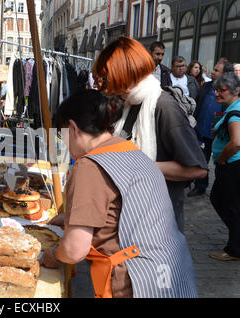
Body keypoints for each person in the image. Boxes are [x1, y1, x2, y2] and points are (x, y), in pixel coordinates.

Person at [40, 89, 198, 298]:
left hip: (135, 283)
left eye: (63, 136)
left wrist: (52, 255)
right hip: (173, 274)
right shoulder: (131, 150)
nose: (65, 144)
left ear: (73, 128)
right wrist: (72, 218)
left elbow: (73, 250)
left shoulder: (88, 166)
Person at [92, 37, 207, 233]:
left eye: (109, 78)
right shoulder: (130, 102)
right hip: (132, 220)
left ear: (126, 73)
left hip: (157, 224)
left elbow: (197, 169)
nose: (107, 86)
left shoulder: (164, 106)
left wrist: (138, 166)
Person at [188, 59, 235, 197]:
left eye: (216, 70)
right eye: (213, 70)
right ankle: (200, 185)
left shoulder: (230, 92)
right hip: (201, 129)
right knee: (200, 158)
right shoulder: (206, 85)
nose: (212, 72)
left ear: (225, 74)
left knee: (219, 163)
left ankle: (221, 190)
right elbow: (197, 104)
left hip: (218, 133)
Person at [208, 72, 240, 261]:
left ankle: (234, 249)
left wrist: (222, 158)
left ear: (235, 91)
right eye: (216, 90)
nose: (217, 94)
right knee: (230, 204)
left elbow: (236, 142)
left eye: (222, 90)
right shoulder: (233, 108)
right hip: (233, 165)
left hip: (232, 165)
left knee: (227, 204)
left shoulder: (235, 112)